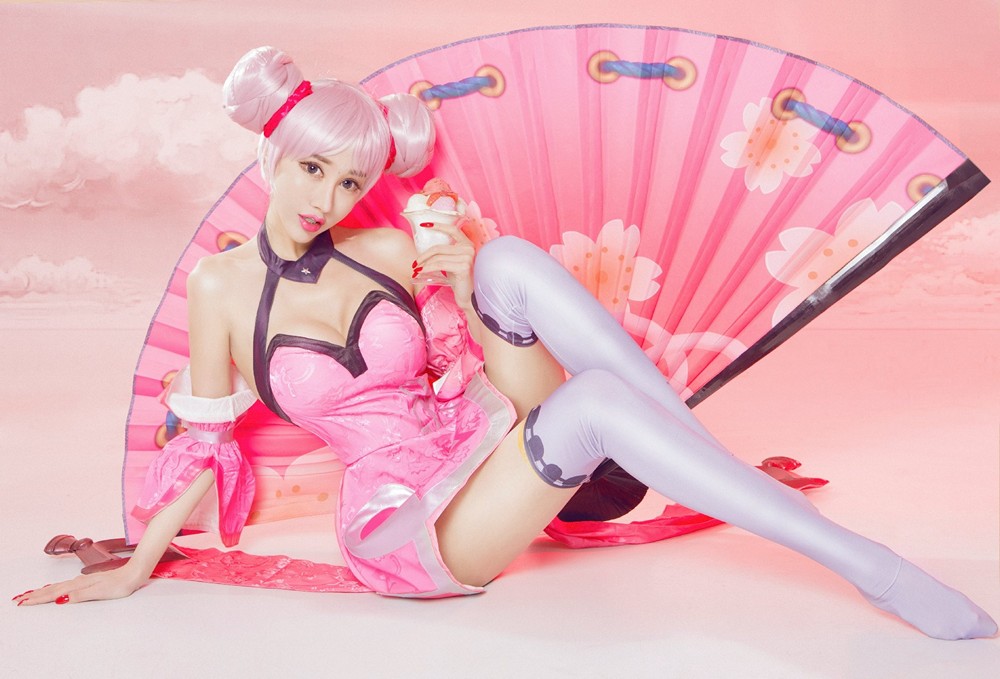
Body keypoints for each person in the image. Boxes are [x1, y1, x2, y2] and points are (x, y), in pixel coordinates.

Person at [13, 46, 997, 640]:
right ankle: (868, 566)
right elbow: (204, 446)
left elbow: (464, 359)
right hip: (405, 520)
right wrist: (138, 565)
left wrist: (451, 282)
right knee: (593, 404)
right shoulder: (222, 288)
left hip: (480, 434)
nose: (327, 198)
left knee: (506, 260)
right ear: (273, 152)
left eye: (350, 181)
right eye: (312, 169)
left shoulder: (383, 247)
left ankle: (694, 462)